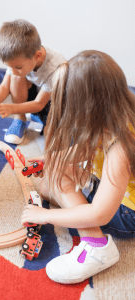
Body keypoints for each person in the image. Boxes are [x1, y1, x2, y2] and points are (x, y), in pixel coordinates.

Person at [21, 50, 135, 284]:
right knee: (48, 183)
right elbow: (85, 150)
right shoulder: (117, 114)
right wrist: (50, 159)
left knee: (52, 186)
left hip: (127, 213)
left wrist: (47, 216)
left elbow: (100, 213)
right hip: (119, 190)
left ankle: (97, 246)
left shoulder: (121, 148)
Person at [0, 19, 65, 144]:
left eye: (18, 67)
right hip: (37, 96)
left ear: (38, 56)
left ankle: (40, 117)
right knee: (17, 77)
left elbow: (39, 103)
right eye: (10, 67)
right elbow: (4, 86)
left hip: (55, 104)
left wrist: (11, 108)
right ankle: (20, 118)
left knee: (51, 136)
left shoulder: (56, 66)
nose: (13, 71)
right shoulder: (18, 57)